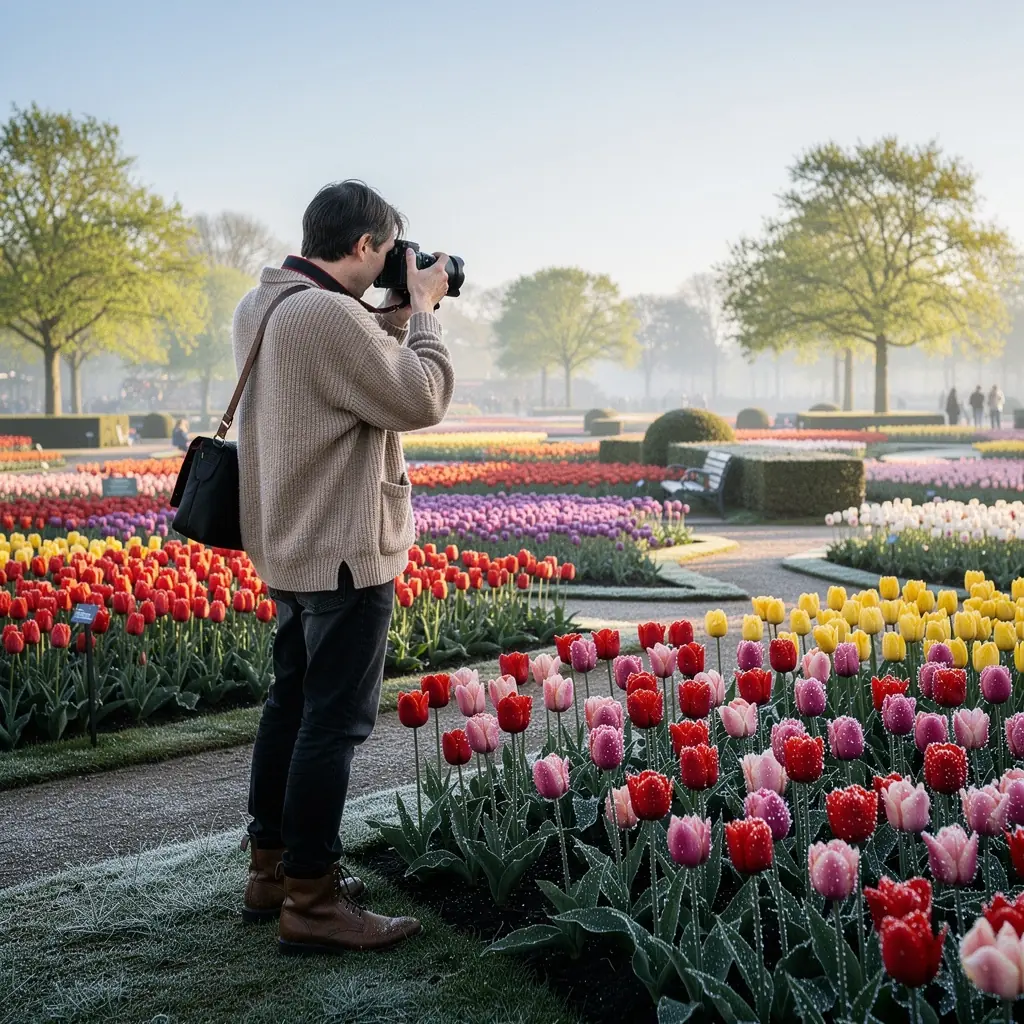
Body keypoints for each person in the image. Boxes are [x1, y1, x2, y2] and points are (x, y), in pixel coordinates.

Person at [235, 181, 454, 955]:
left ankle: (272, 870)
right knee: (332, 724)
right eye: (388, 248)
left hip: (291, 546)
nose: (395, 261)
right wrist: (423, 310)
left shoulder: (267, 303)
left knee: (288, 709)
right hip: (343, 551)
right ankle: (314, 899)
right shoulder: (327, 315)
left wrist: (393, 312)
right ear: (364, 245)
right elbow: (419, 396)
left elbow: (341, 366)